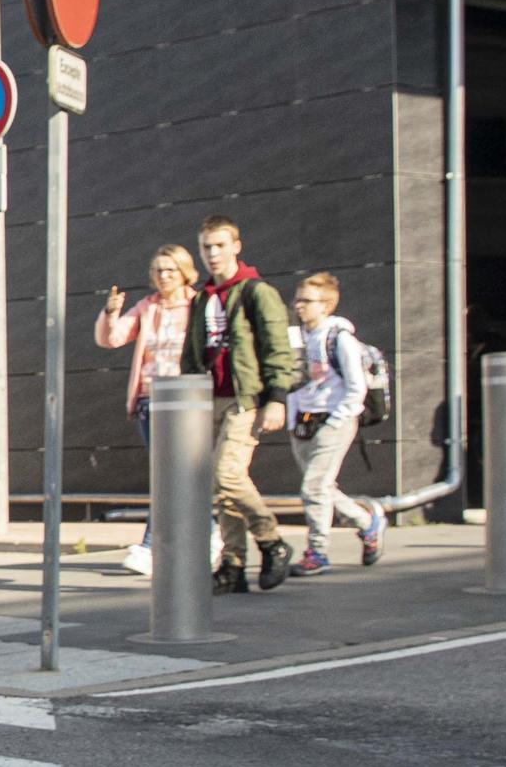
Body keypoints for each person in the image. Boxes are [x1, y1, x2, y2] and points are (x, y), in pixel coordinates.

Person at [179, 215, 297, 594]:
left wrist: (277, 399)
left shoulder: (255, 291)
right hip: (208, 399)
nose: (212, 254)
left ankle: (271, 539)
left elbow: (278, 348)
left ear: (236, 246)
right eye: (206, 247)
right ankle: (232, 562)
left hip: (246, 398)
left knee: (226, 474)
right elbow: (190, 352)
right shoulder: (202, 297)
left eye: (219, 245)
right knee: (224, 484)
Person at [94, 245, 205, 577]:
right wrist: (111, 312)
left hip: (184, 400)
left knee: (171, 474)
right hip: (149, 398)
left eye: (170, 269)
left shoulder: (197, 305)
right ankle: (206, 534)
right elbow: (111, 338)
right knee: (170, 474)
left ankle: (149, 547)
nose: (164, 276)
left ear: (184, 271)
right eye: (158, 270)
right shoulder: (147, 307)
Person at [286, 273, 387, 575]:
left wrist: (339, 418)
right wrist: (292, 419)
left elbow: (357, 387)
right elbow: (292, 384)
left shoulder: (340, 338)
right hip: (302, 423)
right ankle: (367, 522)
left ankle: (317, 552)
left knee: (314, 487)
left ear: (327, 305)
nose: (299, 306)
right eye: (298, 299)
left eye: (307, 301)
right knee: (321, 488)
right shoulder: (296, 338)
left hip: (333, 421)